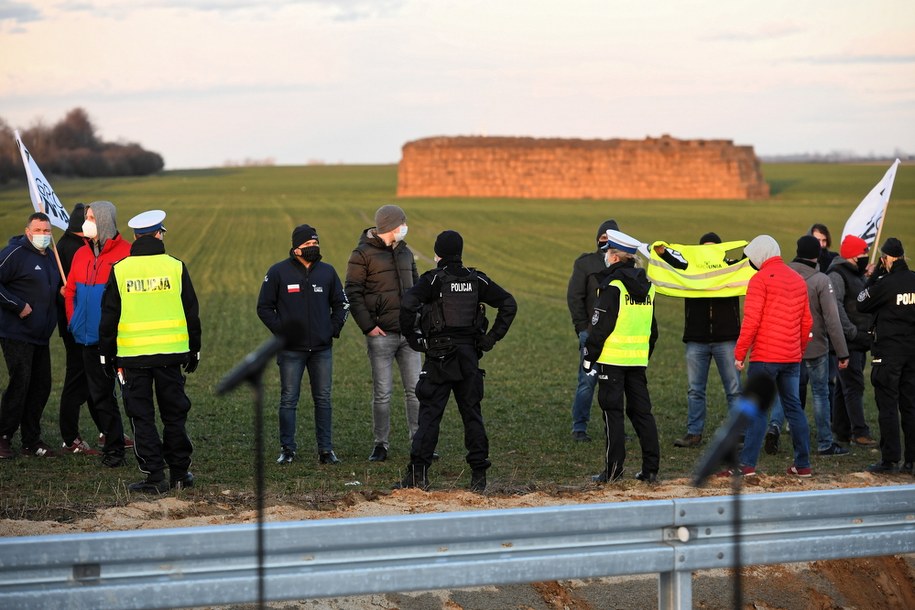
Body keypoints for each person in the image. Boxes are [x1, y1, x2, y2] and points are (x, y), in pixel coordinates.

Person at [395, 230, 517, 491]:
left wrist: (415, 340)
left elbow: (407, 304)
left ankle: (418, 476)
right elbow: (508, 303)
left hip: (439, 358)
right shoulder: (476, 280)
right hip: (469, 357)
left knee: (429, 416)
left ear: (438, 254)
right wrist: (491, 338)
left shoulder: (433, 280)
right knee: (472, 415)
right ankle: (478, 477)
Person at [99, 210, 201, 493]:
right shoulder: (175, 267)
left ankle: (155, 476)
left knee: (141, 417)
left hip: (132, 358)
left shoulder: (120, 269)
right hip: (171, 357)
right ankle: (180, 474)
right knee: (174, 416)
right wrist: (195, 350)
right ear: (159, 234)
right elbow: (191, 312)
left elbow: (108, 316)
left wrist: (106, 355)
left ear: (135, 237)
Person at [257, 224, 349, 466]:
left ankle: (326, 450)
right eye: (308, 245)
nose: (313, 248)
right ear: (296, 248)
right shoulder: (278, 272)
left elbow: (342, 304)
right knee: (288, 399)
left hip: (321, 350)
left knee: (324, 399)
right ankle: (287, 449)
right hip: (291, 351)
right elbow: (264, 307)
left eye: (315, 244)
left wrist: (332, 329)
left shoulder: (327, 272)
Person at [731, 235, 813, 477]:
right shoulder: (798, 280)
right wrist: (798, 351)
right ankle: (803, 464)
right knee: (794, 408)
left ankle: (747, 465)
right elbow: (807, 321)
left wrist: (739, 353)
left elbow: (751, 321)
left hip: (765, 357)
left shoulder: (759, 280)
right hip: (791, 357)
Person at [582, 230, 660, 484]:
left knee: (612, 415)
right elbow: (653, 330)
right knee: (642, 414)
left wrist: (588, 357)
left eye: (608, 253)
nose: (605, 257)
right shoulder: (648, 287)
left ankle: (613, 472)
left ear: (615, 257)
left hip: (612, 362)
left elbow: (599, 327)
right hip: (637, 361)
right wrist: (643, 354)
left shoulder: (612, 287)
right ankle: (651, 470)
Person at [345, 204, 421, 462]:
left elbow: (418, 288)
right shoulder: (362, 254)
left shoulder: (405, 252)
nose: (405, 227)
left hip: (410, 335)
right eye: (403, 222)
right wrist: (368, 326)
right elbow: (352, 292)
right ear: (391, 225)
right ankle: (381, 445)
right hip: (381, 336)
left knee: (416, 391)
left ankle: (419, 442)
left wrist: (418, 319)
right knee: (382, 393)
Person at [64, 201, 132, 467]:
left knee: (132, 397)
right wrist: (74, 322)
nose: (86, 222)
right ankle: (114, 450)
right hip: (88, 341)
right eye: (86, 216)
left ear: (104, 220)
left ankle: (146, 447)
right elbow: (70, 291)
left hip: (120, 340)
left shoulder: (127, 253)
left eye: (91, 217)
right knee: (101, 396)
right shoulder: (81, 254)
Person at [779, 235, 850, 456]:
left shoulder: (782, 276)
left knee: (789, 394)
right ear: (817, 255)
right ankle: (825, 442)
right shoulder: (821, 280)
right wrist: (842, 351)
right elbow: (832, 319)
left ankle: (788, 436)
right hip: (815, 346)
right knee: (820, 394)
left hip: (788, 345)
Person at [672, 232, 742, 449]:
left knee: (734, 388)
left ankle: (739, 434)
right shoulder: (690, 269)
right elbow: (670, 265)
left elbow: (750, 266)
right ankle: (694, 433)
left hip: (726, 337)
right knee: (695, 389)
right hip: (696, 337)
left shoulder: (732, 269)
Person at [0, 212, 62, 459]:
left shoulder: (50, 257)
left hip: (41, 335)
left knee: (41, 386)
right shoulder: (15, 254)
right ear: (28, 232)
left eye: (47, 231)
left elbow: (51, 290)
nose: (43, 235)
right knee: (20, 383)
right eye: (39, 230)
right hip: (16, 332)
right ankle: (4, 437)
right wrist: (17, 305)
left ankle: (31, 440)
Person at [856, 237, 915, 475]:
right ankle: (911, 461)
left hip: (888, 354)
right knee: (911, 405)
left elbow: (862, 302)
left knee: (888, 406)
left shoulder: (885, 284)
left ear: (887, 258)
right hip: (912, 352)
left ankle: (890, 459)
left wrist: (874, 276)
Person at [55, 203, 102, 455]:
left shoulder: (73, 244)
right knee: (77, 380)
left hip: (81, 325)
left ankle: (106, 429)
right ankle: (70, 437)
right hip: (76, 327)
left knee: (93, 377)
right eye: (89, 218)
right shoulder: (73, 249)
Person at [566, 219, 619, 442]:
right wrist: (581, 328)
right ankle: (579, 427)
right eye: (603, 237)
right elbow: (575, 297)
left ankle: (615, 428)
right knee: (587, 382)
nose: (605, 242)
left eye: (611, 238)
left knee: (615, 384)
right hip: (591, 333)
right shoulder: (585, 264)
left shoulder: (623, 265)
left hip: (617, 335)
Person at [827, 235, 877, 447]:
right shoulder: (838, 275)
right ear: (852, 256)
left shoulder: (856, 274)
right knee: (854, 385)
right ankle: (859, 432)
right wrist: (852, 332)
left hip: (858, 340)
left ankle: (841, 429)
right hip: (847, 341)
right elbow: (836, 308)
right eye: (863, 254)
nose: (866, 257)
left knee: (844, 387)